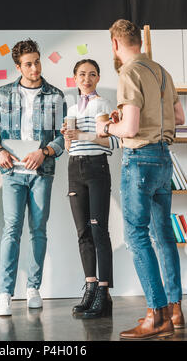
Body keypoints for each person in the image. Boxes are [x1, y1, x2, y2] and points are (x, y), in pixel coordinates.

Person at [96, 19, 185, 340]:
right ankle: (175, 310)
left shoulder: (129, 73)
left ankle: (156, 315)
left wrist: (106, 127)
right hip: (164, 159)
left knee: (136, 236)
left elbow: (130, 129)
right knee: (163, 236)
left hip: (140, 160)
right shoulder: (161, 71)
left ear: (116, 44)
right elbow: (178, 118)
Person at [0, 39, 67, 316]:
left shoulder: (55, 96)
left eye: (37, 62)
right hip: (12, 173)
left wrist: (44, 152)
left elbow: (61, 138)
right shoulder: (3, 94)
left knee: (39, 230)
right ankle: (5, 293)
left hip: (41, 173)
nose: (35, 68)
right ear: (18, 66)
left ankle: (33, 288)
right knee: (11, 230)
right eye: (28, 64)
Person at [61, 59, 119, 319]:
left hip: (96, 168)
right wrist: (66, 137)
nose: (87, 78)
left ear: (97, 78)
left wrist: (81, 136)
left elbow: (106, 141)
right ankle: (90, 285)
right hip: (75, 168)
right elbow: (69, 147)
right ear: (74, 78)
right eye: (82, 74)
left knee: (98, 230)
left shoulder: (101, 104)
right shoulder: (71, 108)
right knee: (83, 232)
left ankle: (104, 294)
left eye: (92, 74)